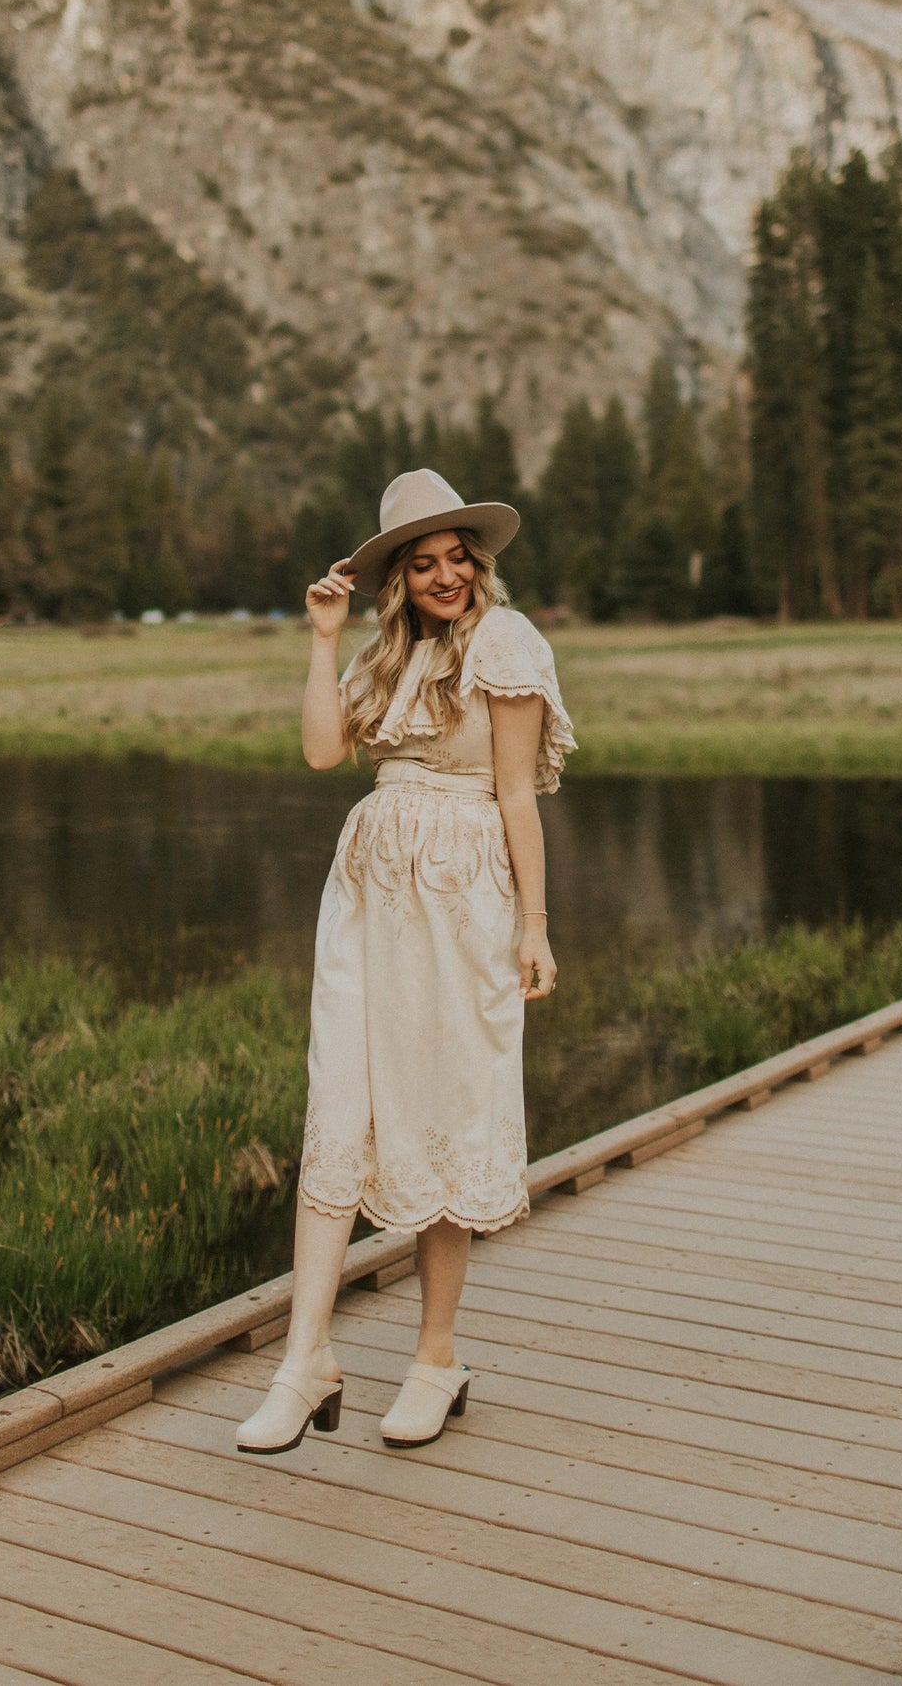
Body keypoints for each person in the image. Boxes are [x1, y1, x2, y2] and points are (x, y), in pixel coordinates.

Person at [235, 467, 576, 1455]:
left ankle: (434, 1356)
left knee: (441, 1110)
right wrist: (322, 638)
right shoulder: (388, 654)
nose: (441, 574)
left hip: (462, 901)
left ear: (478, 564)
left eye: (455, 558)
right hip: (366, 901)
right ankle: (305, 1360)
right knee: (336, 1103)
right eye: (420, 562)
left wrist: (534, 926)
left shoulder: (503, 643)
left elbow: (517, 796)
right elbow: (315, 753)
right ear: (398, 577)